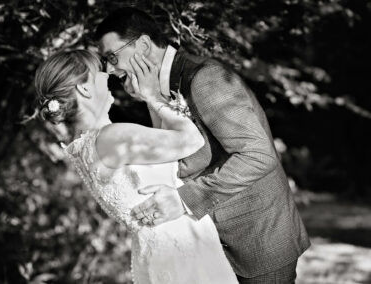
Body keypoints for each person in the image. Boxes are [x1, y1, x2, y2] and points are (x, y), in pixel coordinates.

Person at [95, 7, 311, 283]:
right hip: (213, 248)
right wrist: (152, 101)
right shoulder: (158, 88)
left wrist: (183, 200)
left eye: (112, 57)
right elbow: (179, 158)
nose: (110, 70)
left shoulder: (204, 79)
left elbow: (257, 156)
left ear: (144, 45)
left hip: (258, 243)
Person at [34, 49, 239, 284]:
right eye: (100, 72)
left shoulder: (85, 146)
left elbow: (162, 147)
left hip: (164, 252)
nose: (108, 76)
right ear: (84, 88)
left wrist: (150, 101)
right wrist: (152, 95)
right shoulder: (112, 137)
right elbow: (191, 140)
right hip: (183, 252)